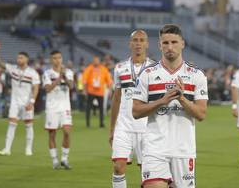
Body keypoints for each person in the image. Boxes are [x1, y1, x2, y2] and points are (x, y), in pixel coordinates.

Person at [132, 24, 208, 188]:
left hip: (183, 151)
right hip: (155, 149)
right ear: (159, 45)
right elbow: (136, 111)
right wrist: (162, 100)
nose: (170, 47)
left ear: (182, 44)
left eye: (174, 42)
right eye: (165, 43)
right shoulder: (147, 74)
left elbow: (201, 114)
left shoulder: (196, 75)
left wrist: (182, 99)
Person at [110, 30, 155, 188]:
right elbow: (116, 99)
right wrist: (111, 130)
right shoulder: (120, 68)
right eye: (135, 40)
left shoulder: (154, 68)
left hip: (147, 128)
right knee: (118, 166)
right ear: (130, 44)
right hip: (124, 126)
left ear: (147, 44)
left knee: (148, 172)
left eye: (142, 40)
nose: (138, 43)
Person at [0, 40, 40, 156]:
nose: (19, 60)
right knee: (12, 124)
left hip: (27, 102)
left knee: (28, 125)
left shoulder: (33, 73)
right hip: (15, 102)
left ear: (26, 60)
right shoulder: (13, 68)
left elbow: (36, 88)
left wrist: (32, 102)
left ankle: (28, 149)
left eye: (21, 58)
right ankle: (7, 149)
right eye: (18, 58)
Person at [42, 50, 74, 169]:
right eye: (54, 58)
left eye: (59, 58)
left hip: (65, 107)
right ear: (51, 60)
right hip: (52, 107)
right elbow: (48, 89)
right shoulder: (47, 73)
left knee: (66, 132)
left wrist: (64, 75)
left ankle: (64, 159)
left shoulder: (69, 72)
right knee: (52, 134)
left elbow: (71, 86)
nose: (57, 60)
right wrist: (59, 77)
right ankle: (55, 161)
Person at [83, 55, 112, 128]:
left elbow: (108, 80)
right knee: (88, 108)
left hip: (100, 92)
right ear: (93, 61)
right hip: (91, 91)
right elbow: (84, 80)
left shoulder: (104, 69)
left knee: (101, 108)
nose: (96, 61)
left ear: (99, 61)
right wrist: (84, 90)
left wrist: (110, 90)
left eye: (97, 60)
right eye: (94, 60)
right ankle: (88, 123)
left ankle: (101, 123)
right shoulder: (89, 68)